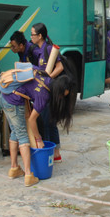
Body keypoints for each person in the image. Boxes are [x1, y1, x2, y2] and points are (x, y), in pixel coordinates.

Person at [0, 73, 76, 187]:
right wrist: (38, 139)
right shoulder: (44, 96)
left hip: (4, 96)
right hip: (14, 102)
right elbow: (32, 120)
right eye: (63, 95)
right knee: (23, 135)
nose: (62, 98)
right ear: (61, 90)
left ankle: (14, 168)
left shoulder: (46, 79)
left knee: (16, 132)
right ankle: (28, 176)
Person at [27, 22, 63, 161]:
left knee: (48, 122)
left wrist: (48, 79)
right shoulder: (40, 50)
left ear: (40, 36)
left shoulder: (49, 49)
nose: (31, 36)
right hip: (43, 90)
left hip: (48, 91)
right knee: (48, 121)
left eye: (33, 34)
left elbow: (59, 67)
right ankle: (56, 153)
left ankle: (50, 153)